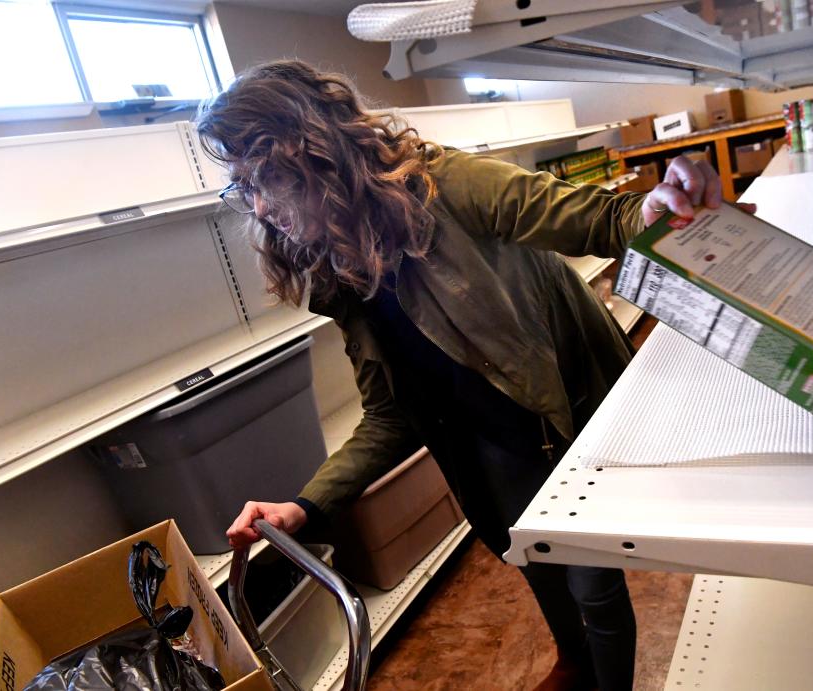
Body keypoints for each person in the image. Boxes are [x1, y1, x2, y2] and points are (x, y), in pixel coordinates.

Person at [198, 59, 726, 691]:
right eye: (240, 187)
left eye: (262, 179)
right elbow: (390, 415)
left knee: (592, 577)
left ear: (310, 153)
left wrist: (661, 207)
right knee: (524, 550)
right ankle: (573, 659)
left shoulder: (445, 184)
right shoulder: (336, 271)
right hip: (482, 436)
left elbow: (599, 218)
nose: (256, 206)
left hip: (557, 405)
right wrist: (306, 505)